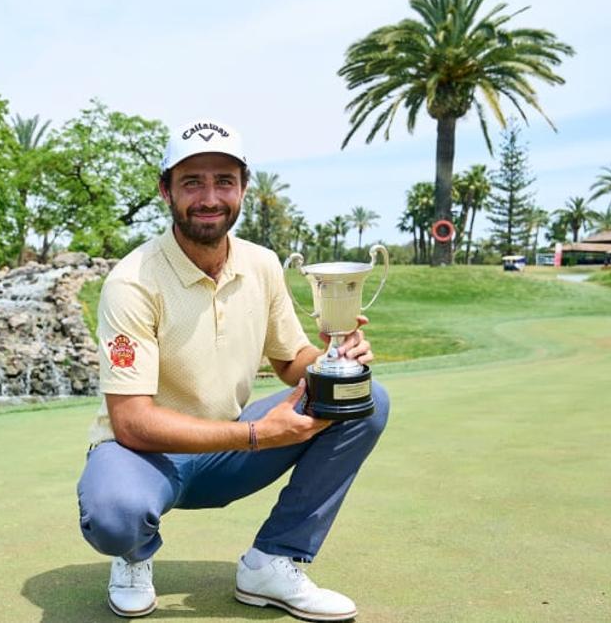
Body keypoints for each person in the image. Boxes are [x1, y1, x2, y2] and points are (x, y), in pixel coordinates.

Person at [76, 119, 389, 621]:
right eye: (191, 182)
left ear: (243, 187)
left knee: (360, 402)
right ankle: (133, 557)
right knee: (116, 513)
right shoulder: (132, 281)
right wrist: (256, 434)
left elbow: (291, 362)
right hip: (146, 457)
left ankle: (273, 562)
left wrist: (334, 360)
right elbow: (131, 423)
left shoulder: (261, 264)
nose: (209, 197)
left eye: (224, 180)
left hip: (226, 455)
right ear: (165, 190)